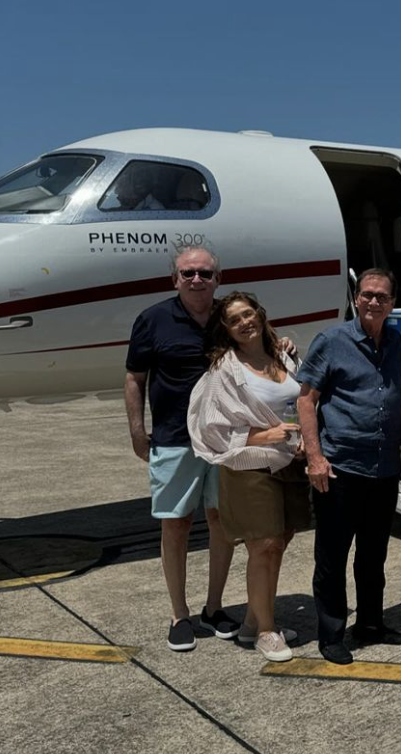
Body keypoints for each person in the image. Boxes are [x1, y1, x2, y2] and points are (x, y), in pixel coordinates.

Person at [124, 245, 239, 651]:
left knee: (222, 520)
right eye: (188, 273)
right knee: (176, 524)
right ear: (174, 279)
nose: (196, 280)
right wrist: (139, 432)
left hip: (226, 440)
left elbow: (262, 349)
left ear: (217, 279)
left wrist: (287, 345)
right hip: (174, 439)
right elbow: (135, 378)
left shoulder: (231, 317)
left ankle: (214, 607)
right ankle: (179, 614)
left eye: (205, 273)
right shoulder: (153, 319)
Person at [297, 268, 401, 665]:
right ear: (357, 298)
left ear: (391, 301)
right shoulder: (331, 341)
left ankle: (370, 624)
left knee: (372, 555)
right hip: (340, 468)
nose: (373, 301)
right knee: (332, 555)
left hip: (382, 469)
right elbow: (306, 400)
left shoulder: (399, 345)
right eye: (367, 294)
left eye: (382, 296)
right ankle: (331, 634)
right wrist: (314, 457)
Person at [187, 292, 310, 662]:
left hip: (288, 462)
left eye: (248, 313)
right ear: (226, 330)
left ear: (260, 314)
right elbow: (208, 427)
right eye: (234, 319)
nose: (244, 322)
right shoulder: (225, 370)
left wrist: (303, 437)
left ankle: (253, 623)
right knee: (263, 544)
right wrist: (259, 436)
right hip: (250, 466)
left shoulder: (282, 355)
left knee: (281, 539)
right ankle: (267, 632)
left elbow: (301, 399)